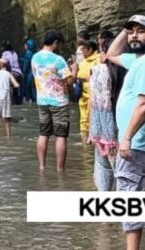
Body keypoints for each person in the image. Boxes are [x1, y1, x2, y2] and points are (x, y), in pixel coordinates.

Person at [105, 16, 145, 250]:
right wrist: (126, 31)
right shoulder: (142, 60)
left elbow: (144, 104)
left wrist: (126, 138)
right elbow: (111, 54)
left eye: (141, 31)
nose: (134, 35)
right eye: (131, 31)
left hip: (139, 146)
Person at [31, 30, 73, 172]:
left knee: (43, 134)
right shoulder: (58, 60)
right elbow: (70, 81)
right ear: (55, 42)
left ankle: (42, 167)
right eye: (59, 43)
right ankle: (60, 170)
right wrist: (75, 69)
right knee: (60, 136)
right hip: (59, 102)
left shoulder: (34, 58)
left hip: (42, 101)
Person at [87, 50, 118, 192]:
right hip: (122, 129)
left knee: (104, 169)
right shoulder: (132, 70)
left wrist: (91, 130)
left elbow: (92, 102)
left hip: (101, 131)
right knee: (123, 175)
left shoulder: (98, 72)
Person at [75, 39, 99, 145]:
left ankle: (93, 141)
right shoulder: (84, 61)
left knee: (92, 120)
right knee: (83, 120)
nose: (82, 52)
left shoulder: (98, 59)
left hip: (94, 95)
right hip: (83, 95)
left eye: (84, 49)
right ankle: (85, 145)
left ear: (90, 50)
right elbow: (80, 74)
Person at [21, 34, 36, 103]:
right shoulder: (34, 54)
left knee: (29, 88)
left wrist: (23, 72)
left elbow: (26, 64)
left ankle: (30, 99)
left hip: (29, 74)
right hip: (34, 73)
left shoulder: (28, 54)